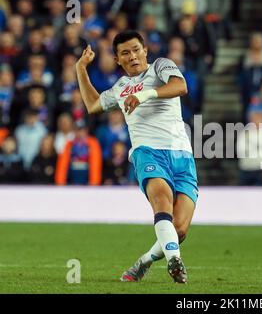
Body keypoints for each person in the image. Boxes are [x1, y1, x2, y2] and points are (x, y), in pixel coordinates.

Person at [75, 30, 197, 284]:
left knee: (180, 228)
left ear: (145, 51)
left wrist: (144, 94)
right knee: (161, 199)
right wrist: (81, 70)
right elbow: (93, 105)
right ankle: (175, 262)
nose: (132, 56)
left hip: (182, 155)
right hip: (147, 152)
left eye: (135, 50)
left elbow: (180, 86)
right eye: (124, 53)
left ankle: (145, 261)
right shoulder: (120, 87)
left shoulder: (161, 67)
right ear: (118, 60)